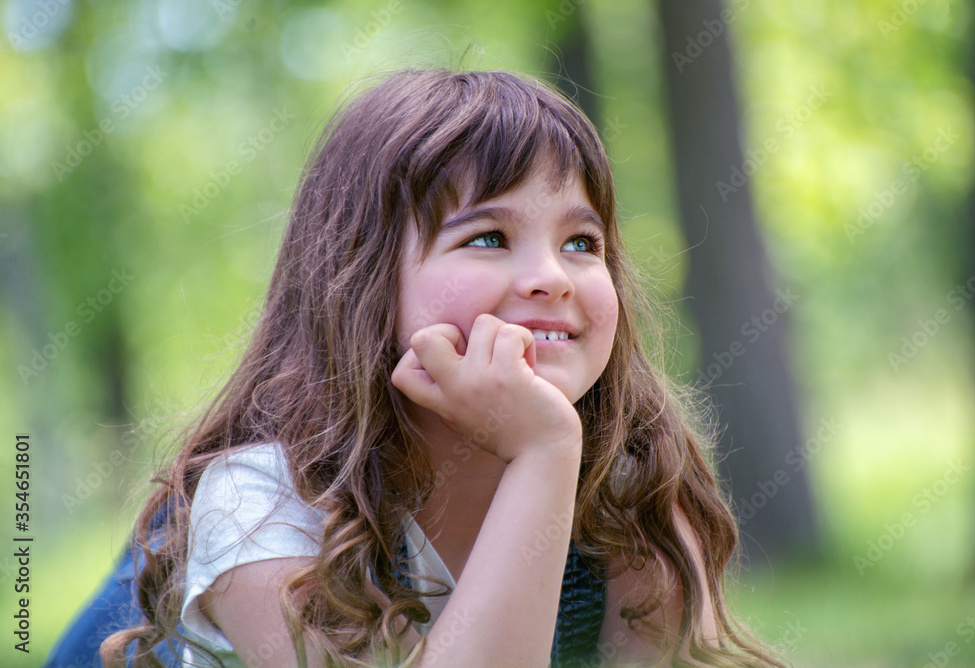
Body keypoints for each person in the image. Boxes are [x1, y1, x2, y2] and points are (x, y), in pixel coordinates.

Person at [93, 68, 787, 667]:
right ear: (360, 280)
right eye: (489, 236)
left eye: (582, 241)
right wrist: (544, 452)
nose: (553, 276)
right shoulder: (264, 505)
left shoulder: (637, 495)